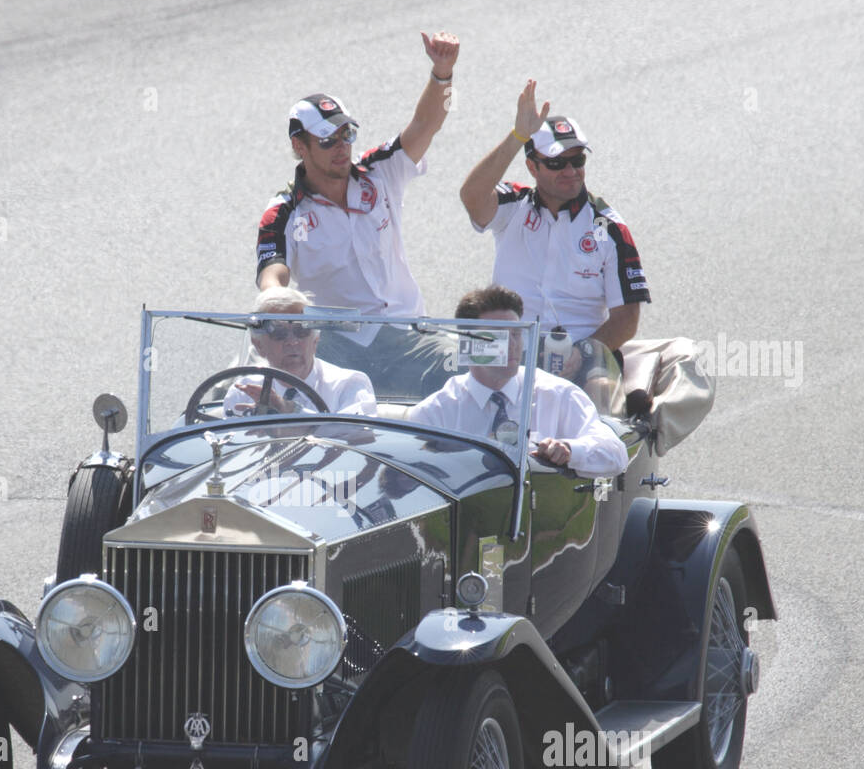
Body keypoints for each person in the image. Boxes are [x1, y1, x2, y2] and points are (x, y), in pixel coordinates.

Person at [255, 32, 461, 396]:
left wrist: (441, 72)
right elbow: (272, 276)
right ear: (299, 146)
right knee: (255, 384)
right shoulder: (283, 211)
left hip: (408, 336)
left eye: (346, 134)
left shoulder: (381, 172)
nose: (341, 147)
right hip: (337, 345)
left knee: (470, 368)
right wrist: (276, 299)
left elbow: (425, 125)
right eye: (326, 140)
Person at [458, 81, 650, 365]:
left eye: (578, 160)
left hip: (579, 356)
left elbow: (626, 319)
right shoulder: (512, 206)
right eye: (557, 164)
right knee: (450, 387)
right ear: (532, 166)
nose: (571, 171)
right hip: (507, 355)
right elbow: (471, 196)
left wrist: (582, 355)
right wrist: (517, 137)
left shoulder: (609, 229)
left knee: (600, 389)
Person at [407, 285, 628, 477]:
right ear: (468, 343)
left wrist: (571, 450)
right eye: (498, 335)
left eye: (516, 333)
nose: (513, 344)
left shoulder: (557, 394)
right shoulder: (435, 412)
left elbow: (616, 454)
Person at [221, 287, 378, 417]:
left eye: (301, 331)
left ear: (315, 341)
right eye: (279, 333)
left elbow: (359, 439)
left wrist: (290, 410)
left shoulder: (348, 384)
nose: (292, 341)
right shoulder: (244, 391)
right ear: (259, 346)